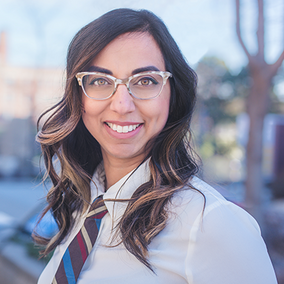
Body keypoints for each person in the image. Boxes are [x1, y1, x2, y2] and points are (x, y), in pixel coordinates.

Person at [35, 8, 277, 284]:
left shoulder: (210, 223)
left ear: (173, 95)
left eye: (146, 81)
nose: (122, 105)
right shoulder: (85, 209)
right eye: (100, 81)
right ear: (78, 97)